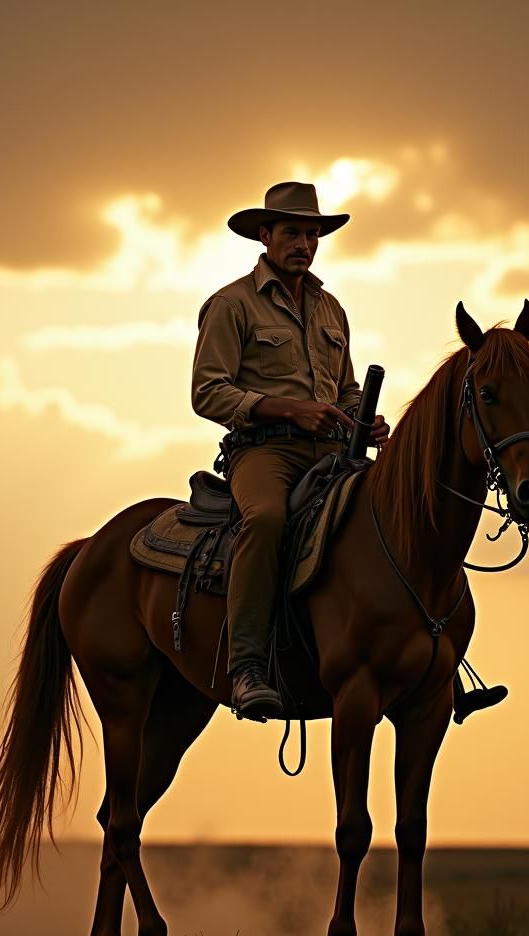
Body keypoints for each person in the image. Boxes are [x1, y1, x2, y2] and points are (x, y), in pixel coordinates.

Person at [191, 181, 389, 722]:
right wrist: (288, 408)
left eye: (312, 233)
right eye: (292, 232)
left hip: (332, 451)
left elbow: (344, 387)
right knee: (267, 521)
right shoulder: (231, 305)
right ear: (265, 235)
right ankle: (248, 666)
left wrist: (362, 419)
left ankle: (429, 660)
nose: (304, 243)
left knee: (392, 518)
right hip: (264, 454)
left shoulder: (331, 308)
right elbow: (208, 392)